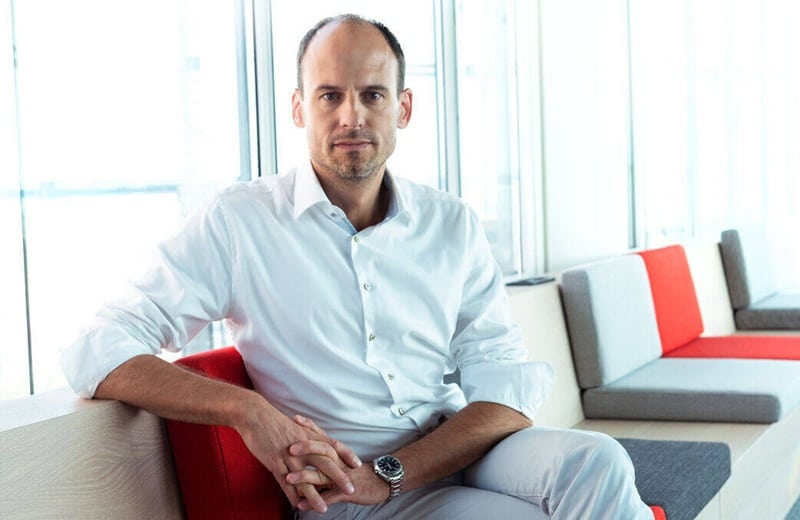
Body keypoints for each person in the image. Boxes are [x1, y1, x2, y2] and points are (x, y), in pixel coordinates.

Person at [61, 13, 653, 519]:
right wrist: (246, 410)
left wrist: (391, 471)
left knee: (599, 459)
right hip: (348, 491)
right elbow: (97, 347)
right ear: (299, 108)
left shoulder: (451, 223)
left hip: (453, 452)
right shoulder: (240, 223)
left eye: (372, 95)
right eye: (329, 96)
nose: (352, 116)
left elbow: (504, 387)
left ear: (403, 107)